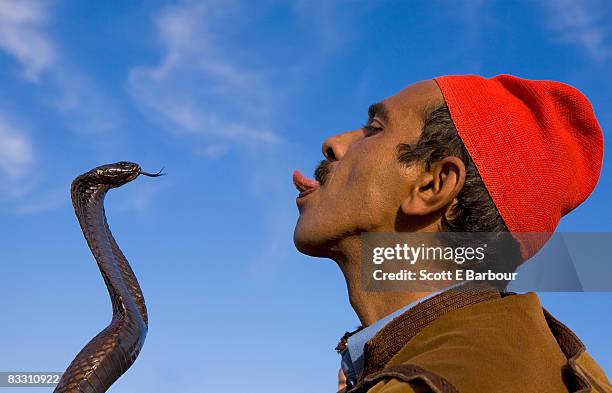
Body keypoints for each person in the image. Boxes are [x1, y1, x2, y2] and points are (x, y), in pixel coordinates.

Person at [292, 75, 611, 392]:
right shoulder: (530, 362)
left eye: (375, 128)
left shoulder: (431, 383)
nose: (333, 143)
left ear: (433, 186)